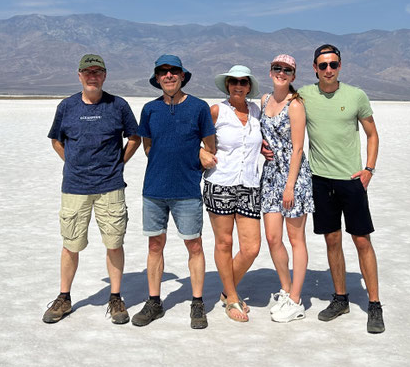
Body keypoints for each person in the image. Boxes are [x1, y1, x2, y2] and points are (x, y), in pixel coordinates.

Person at [43, 54, 141, 325]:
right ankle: (64, 297)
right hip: (75, 187)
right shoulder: (67, 107)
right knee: (70, 244)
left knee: (114, 242)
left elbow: (134, 137)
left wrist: (118, 163)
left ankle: (116, 297)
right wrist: (73, 164)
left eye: (97, 71)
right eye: (87, 72)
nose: (92, 76)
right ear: (79, 75)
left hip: (110, 186)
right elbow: (56, 141)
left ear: (105, 75)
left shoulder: (118, 106)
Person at [299, 43, 385, 334]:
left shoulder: (355, 96)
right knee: (332, 240)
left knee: (362, 241)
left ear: (340, 67)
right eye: (322, 65)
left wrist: (369, 170)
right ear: (314, 68)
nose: (328, 70)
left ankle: (374, 304)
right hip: (320, 180)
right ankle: (340, 298)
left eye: (333, 65)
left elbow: (372, 135)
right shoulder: (305, 96)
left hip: (351, 180)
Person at [133, 54, 216, 329]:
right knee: (155, 245)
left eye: (173, 71)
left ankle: (197, 302)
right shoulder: (149, 110)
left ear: (182, 76)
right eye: (163, 72)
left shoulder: (199, 107)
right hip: (154, 190)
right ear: (157, 78)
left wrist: (199, 157)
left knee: (194, 244)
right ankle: (154, 302)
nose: (168, 76)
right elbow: (148, 147)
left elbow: (210, 146)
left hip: (187, 190)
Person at [201, 65, 263, 322]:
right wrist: (200, 152)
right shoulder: (217, 111)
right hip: (221, 183)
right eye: (233, 82)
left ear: (249, 87)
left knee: (251, 247)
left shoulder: (257, 111)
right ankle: (233, 300)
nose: (238, 86)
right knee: (224, 243)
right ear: (227, 86)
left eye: (243, 82)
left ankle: (228, 290)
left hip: (249, 184)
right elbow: (194, 138)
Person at [260, 54, 314, 323]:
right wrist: (261, 146)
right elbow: (263, 135)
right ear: (270, 71)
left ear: (293, 76)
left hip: (294, 178)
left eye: (287, 70)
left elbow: (298, 148)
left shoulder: (295, 105)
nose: (281, 73)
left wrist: (290, 186)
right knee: (272, 237)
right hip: (270, 176)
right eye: (277, 68)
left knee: (296, 239)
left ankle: (295, 298)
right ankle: (285, 287)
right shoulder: (263, 101)